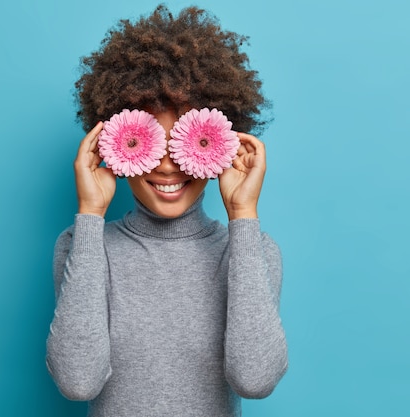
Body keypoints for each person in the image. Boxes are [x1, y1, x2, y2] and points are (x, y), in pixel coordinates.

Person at [46, 5, 288, 417]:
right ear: (114, 144)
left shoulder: (251, 251)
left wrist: (243, 214)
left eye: (183, 141)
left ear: (220, 145)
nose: (167, 164)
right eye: (151, 142)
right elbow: (77, 380)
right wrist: (90, 212)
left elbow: (255, 378)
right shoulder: (81, 246)